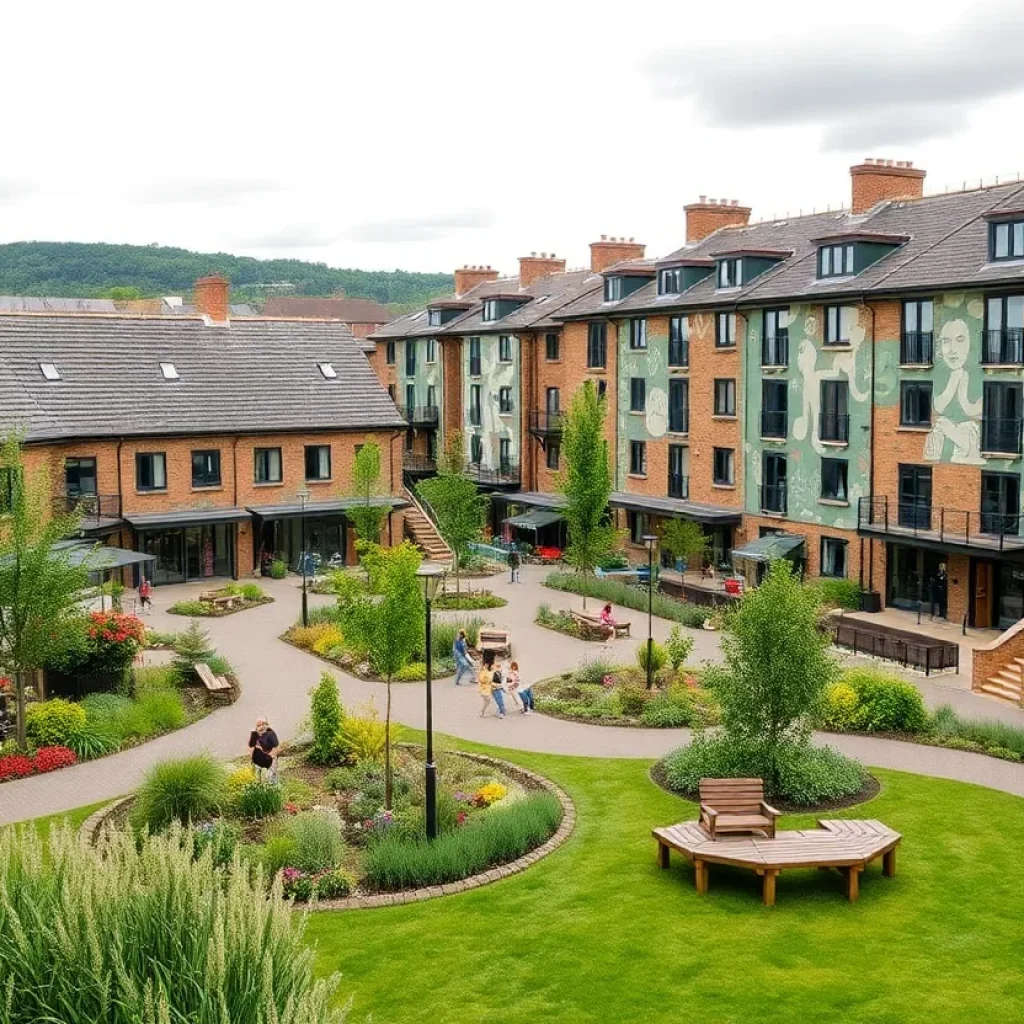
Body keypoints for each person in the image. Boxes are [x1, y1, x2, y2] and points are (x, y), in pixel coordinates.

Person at [248, 716, 281, 782]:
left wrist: (271, 756)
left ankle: (275, 788)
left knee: (270, 777)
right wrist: (251, 759)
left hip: (269, 759)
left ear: (267, 725)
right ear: (256, 727)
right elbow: (251, 747)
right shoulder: (254, 734)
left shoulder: (271, 734)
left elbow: (278, 748)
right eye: (259, 725)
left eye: (263, 724)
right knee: (256, 778)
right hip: (257, 760)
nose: (261, 727)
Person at [478, 650, 506, 719]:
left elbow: (494, 670)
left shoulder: (490, 665)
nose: (495, 658)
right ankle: (483, 713)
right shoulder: (484, 667)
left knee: (494, 698)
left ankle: (483, 712)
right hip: (487, 688)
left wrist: (498, 670)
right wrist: (491, 681)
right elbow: (482, 678)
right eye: (494, 657)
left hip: (491, 686)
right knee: (489, 700)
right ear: (491, 658)